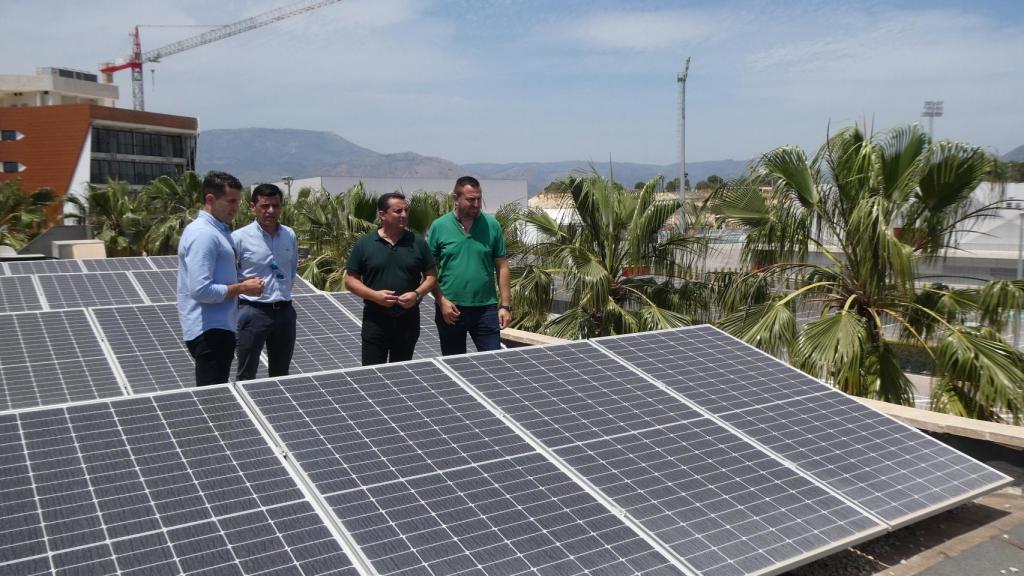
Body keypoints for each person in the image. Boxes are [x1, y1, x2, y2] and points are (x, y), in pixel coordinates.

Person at [177, 171, 263, 386]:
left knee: (217, 395)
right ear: (210, 199)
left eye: (238, 202)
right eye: (230, 201)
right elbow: (201, 290)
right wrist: (242, 288)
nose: (235, 208)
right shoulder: (204, 234)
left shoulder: (217, 231)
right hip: (210, 331)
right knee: (213, 399)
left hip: (219, 328)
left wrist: (242, 283)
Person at [345, 192, 437, 365]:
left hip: (408, 320)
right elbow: (350, 280)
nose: (404, 215)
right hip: (375, 320)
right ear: (382, 215)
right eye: (398, 211)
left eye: (406, 210)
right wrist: (375, 296)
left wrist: (416, 294)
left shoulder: (418, 243)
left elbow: (431, 277)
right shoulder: (365, 244)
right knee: (372, 373)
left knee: (402, 372)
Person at [429, 176, 511, 355]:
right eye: (471, 199)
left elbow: (502, 266)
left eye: (479, 199)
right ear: (456, 198)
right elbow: (429, 269)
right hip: (451, 308)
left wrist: (505, 306)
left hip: (486, 308)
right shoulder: (439, 226)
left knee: (494, 360)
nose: (476, 204)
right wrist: (441, 301)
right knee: (455, 363)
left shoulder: (492, 225)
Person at [233, 183, 298, 381]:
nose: (270, 211)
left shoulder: (289, 235)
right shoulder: (239, 238)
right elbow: (231, 275)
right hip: (253, 312)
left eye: (275, 206)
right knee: (247, 373)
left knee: (281, 375)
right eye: (264, 206)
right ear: (253, 207)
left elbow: (292, 269)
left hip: (284, 312)